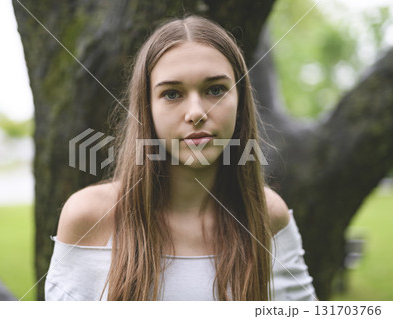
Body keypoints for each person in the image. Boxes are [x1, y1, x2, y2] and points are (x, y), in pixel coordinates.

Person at [45, 15, 317, 301]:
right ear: (147, 108)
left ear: (240, 100)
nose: (196, 112)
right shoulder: (90, 216)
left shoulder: (267, 214)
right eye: (172, 94)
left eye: (215, 89)